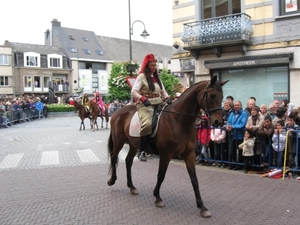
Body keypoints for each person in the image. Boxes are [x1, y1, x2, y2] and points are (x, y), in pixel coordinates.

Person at [131, 53, 172, 161]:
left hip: (158, 102)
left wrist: (167, 97)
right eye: (152, 66)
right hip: (145, 104)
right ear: (147, 66)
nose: (154, 68)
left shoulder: (157, 77)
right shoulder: (142, 77)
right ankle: (141, 151)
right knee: (147, 123)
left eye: (155, 65)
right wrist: (143, 99)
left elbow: (163, 91)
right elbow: (134, 91)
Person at [226, 101, 248, 170]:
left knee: (240, 151)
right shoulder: (232, 113)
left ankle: (240, 164)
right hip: (232, 135)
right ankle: (234, 163)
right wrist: (228, 127)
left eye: (238, 105)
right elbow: (228, 122)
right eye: (235, 105)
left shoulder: (244, 114)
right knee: (233, 151)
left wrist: (233, 127)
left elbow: (242, 124)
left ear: (241, 106)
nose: (236, 106)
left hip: (240, 135)